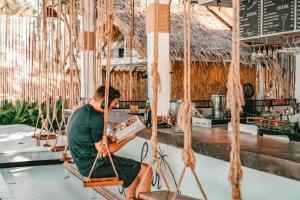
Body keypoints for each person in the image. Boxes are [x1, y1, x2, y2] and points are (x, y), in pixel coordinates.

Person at [68, 85, 152, 199]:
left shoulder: (81, 111)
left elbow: (90, 138)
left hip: (84, 164)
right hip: (93, 166)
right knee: (146, 170)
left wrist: (109, 138)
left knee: (131, 176)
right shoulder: (96, 118)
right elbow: (105, 151)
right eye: (113, 103)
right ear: (104, 102)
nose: (114, 106)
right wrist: (128, 138)